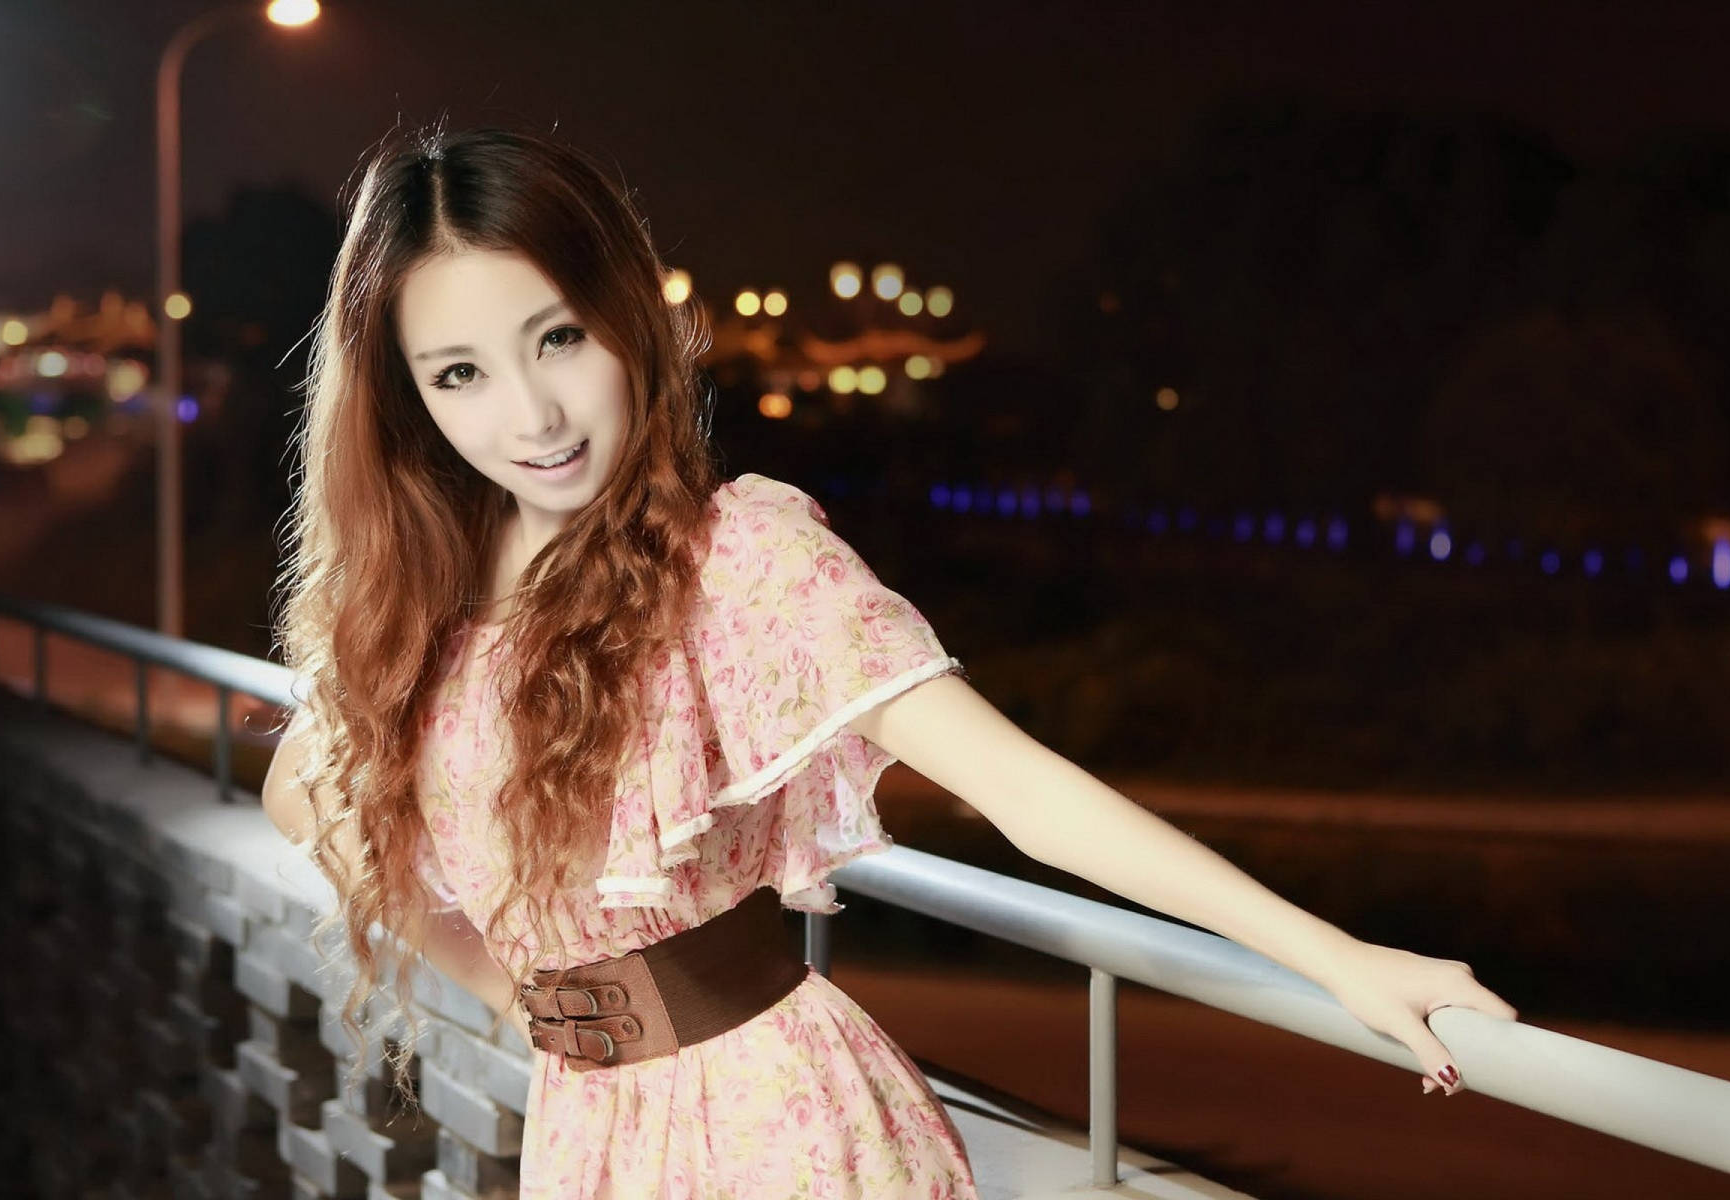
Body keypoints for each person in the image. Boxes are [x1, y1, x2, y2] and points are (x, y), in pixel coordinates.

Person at [261, 123, 1517, 1199]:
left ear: (630, 320)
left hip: (783, 1134)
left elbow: (1024, 793)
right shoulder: (418, 613)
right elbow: (304, 793)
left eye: (559, 340)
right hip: (595, 1137)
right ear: (406, 400)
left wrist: (1343, 962)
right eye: (462, 374)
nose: (529, 417)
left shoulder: (737, 559)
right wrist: (534, 1002)